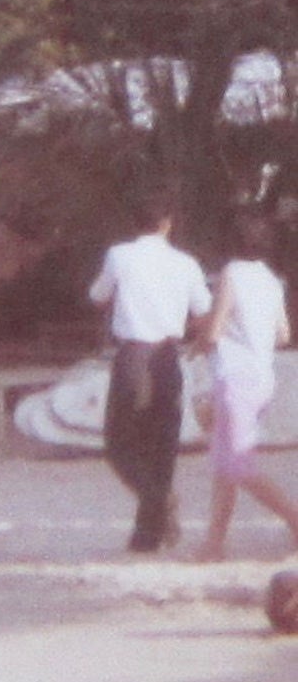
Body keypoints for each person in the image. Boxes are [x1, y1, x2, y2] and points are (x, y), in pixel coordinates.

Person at [89, 190, 212, 552]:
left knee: (119, 442)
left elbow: (98, 296)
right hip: (168, 356)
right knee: (162, 445)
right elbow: (203, 310)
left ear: (134, 222)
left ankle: (153, 512)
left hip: (134, 356)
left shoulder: (119, 256)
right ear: (168, 223)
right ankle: (153, 520)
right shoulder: (186, 263)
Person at [194, 210, 298, 561]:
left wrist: (202, 337)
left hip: (235, 376)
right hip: (262, 376)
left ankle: (295, 519)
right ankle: (214, 543)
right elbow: (283, 334)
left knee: (237, 465)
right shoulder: (271, 279)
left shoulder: (231, 274)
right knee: (226, 464)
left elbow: (213, 329)